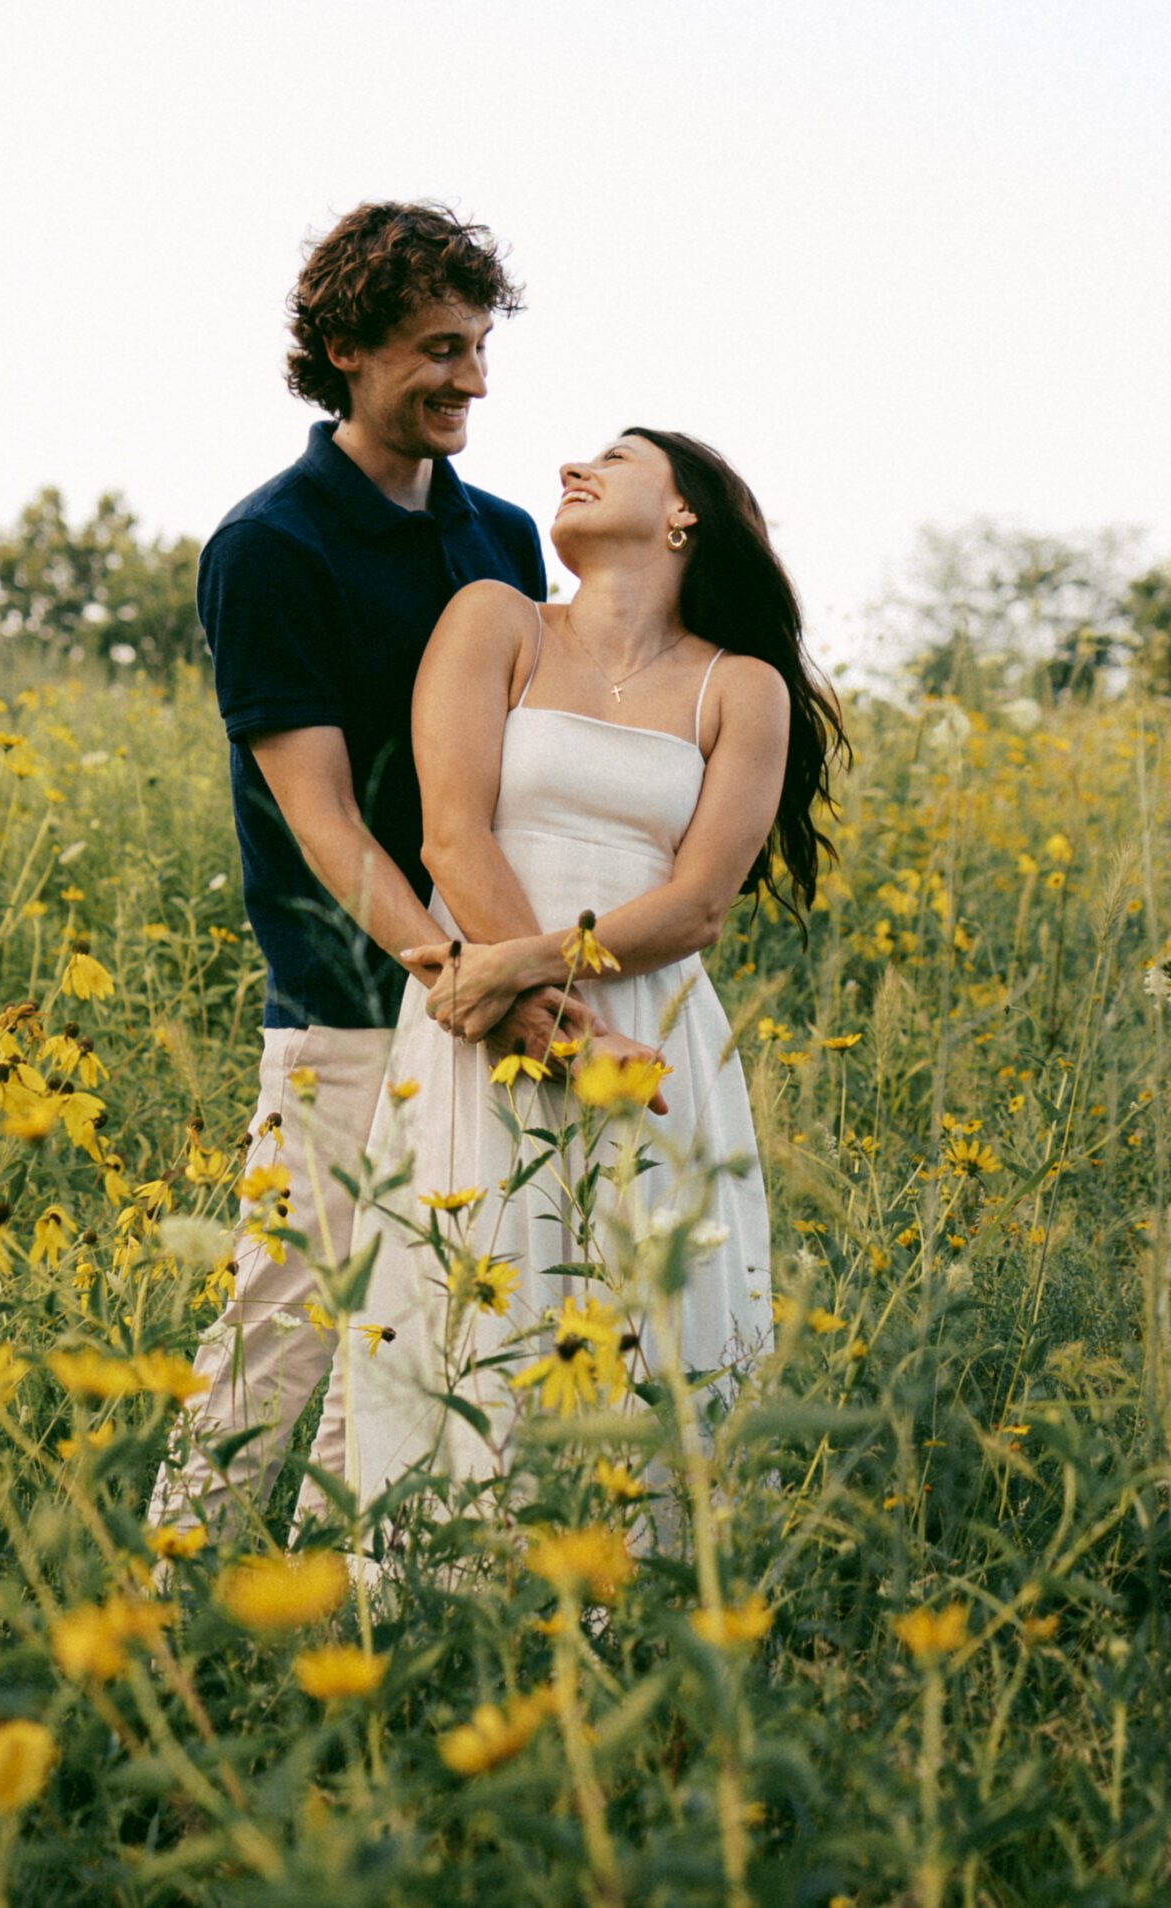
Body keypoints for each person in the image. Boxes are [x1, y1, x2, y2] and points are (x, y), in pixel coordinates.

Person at [150, 203, 658, 1538]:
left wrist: (526, 961)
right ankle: (170, 1593)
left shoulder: (497, 533)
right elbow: (317, 815)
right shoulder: (273, 545)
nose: (472, 381)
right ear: (345, 349)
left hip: (493, 987)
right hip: (349, 999)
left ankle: (344, 1596)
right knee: (288, 1316)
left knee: (427, 1329)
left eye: (482, 347)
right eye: (440, 348)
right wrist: (455, 970)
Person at [311, 427, 847, 1518]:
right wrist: (555, 1031)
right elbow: (451, 838)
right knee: (468, 1294)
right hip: (486, 1031)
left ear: (682, 513)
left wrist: (532, 975)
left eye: (614, 456)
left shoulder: (742, 689)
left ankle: (645, 1599)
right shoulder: (497, 620)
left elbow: (699, 901)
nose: (571, 466)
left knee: (649, 1307)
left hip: (642, 1029)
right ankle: (442, 1591)